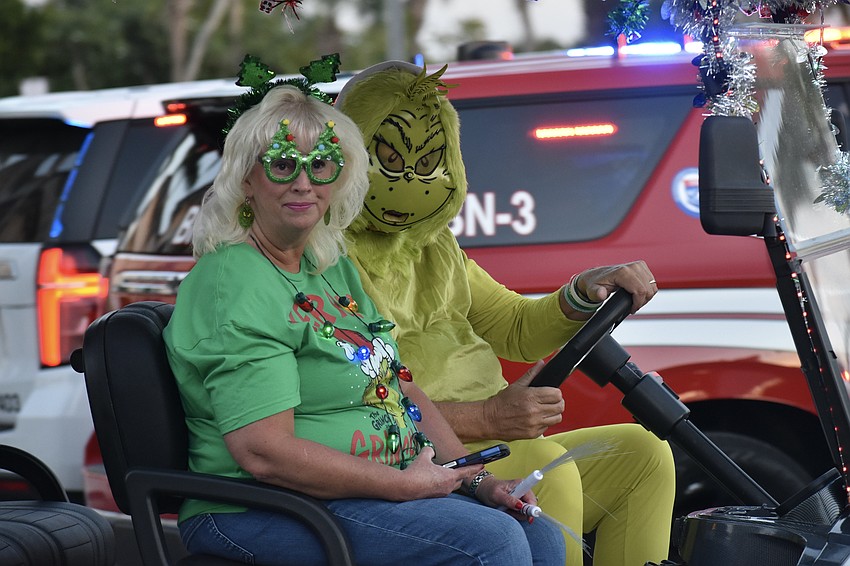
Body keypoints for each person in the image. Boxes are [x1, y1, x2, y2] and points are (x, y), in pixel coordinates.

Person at [163, 62, 566, 566]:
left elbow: (403, 388)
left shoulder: (329, 267)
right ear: (247, 178)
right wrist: (402, 486)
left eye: (323, 164)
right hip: (258, 508)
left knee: (540, 535)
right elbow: (263, 452)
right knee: (490, 541)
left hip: (356, 491)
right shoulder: (234, 280)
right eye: (283, 164)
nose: (304, 183)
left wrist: (475, 479)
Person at [337, 61, 677, 566]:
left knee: (644, 453)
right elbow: (355, 402)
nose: (410, 178)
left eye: (428, 159)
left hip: (488, 443)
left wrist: (584, 291)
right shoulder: (326, 259)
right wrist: (487, 416)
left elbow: (516, 328)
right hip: (417, 457)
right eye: (387, 158)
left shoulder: (434, 246)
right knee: (545, 463)